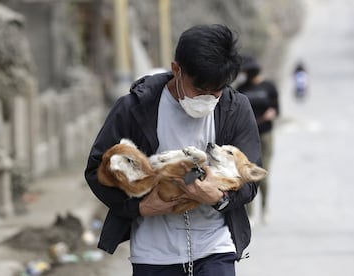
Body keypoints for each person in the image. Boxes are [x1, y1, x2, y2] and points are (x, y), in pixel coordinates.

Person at [85, 24, 262, 276]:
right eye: (199, 91)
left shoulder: (235, 109)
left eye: (216, 91)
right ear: (176, 70)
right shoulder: (135, 109)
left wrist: (218, 198)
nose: (208, 99)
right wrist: (141, 207)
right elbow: (95, 171)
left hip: (215, 248)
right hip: (154, 253)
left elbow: (249, 181)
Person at [236, 56, 279, 224]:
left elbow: (276, 109)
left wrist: (271, 114)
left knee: (263, 174)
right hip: (247, 136)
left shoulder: (268, 87)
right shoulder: (241, 89)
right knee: (247, 174)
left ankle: (265, 209)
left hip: (265, 134)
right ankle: (250, 212)